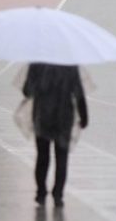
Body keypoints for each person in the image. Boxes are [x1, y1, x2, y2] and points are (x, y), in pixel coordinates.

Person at [22, 63, 88, 207]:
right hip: (64, 117)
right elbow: (78, 92)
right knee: (62, 157)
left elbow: (27, 91)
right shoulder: (69, 64)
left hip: (42, 115)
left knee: (42, 156)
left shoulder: (37, 63)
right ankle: (58, 195)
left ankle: (41, 193)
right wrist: (84, 116)